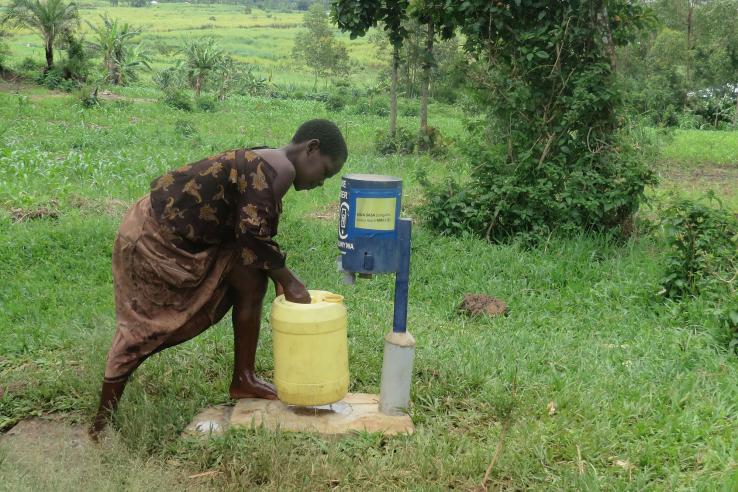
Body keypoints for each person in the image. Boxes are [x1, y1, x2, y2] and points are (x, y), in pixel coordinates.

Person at [90, 119, 347, 438]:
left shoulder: (270, 160)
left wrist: (275, 273)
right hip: (154, 237)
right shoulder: (280, 169)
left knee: (252, 279)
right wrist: (290, 280)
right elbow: (253, 234)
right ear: (312, 148)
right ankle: (100, 426)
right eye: (324, 172)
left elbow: (251, 233)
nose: (321, 183)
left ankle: (244, 379)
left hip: (179, 234)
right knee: (144, 328)